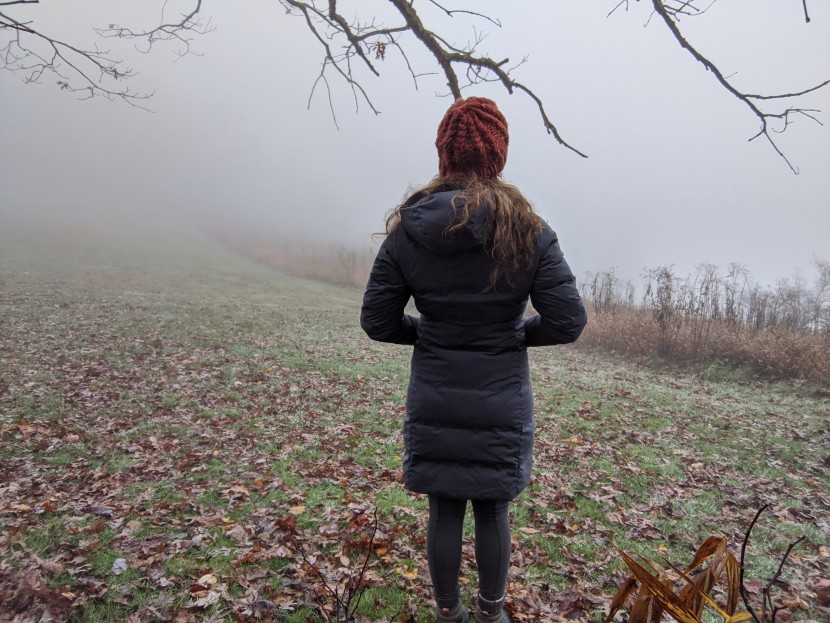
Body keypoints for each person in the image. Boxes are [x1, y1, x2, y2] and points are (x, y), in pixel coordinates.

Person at [360, 97, 587, 623]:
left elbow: (378, 322)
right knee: (491, 506)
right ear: (499, 154)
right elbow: (567, 321)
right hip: (501, 390)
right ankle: (492, 613)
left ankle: (448, 613)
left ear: (443, 152)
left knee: (444, 506)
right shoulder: (528, 230)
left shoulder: (408, 231)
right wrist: (513, 334)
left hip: (437, 386)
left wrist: (428, 332)